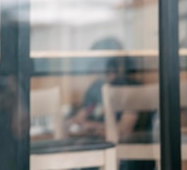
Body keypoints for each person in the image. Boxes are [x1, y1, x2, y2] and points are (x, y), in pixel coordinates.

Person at [66, 37, 154, 170]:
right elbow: (78, 118)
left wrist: (90, 125)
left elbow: (124, 129)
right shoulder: (95, 87)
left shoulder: (130, 88)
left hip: (127, 155)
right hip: (96, 148)